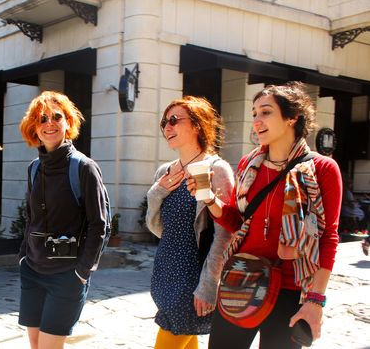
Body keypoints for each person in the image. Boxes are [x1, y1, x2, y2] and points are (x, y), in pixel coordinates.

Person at [186, 82, 341, 349]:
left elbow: (328, 237)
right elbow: (236, 222)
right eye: (254, 113)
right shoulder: (249, 164)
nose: (256, 121)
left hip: (291, 289)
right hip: (240, 278)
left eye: (266, 112)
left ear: (293, 117)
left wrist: (316, 301)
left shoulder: (322, 168)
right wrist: (209, 198)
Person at [18, 91, 109, 349]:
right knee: (36, 346)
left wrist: (81, 272)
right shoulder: (33, 168)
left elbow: (98, 224)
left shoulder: (83, 167)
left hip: (66, 276)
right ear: (34, 127)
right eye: (42, 118)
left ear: (68, 122)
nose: (50, 123)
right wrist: (24, 257)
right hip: (33, 272)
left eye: (57, 116)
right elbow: (31, 218)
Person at [146, 96, 234, 349]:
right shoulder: (165, 172)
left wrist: (209, 284)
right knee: (185, 337)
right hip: (165, 269)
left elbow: (224, 234)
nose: (167, 127)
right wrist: (156, 192)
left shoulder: (216, 169)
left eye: (174, 120)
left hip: (193, 274)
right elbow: (157, 228)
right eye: (164, 122)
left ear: (197, 125)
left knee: (171, 336)